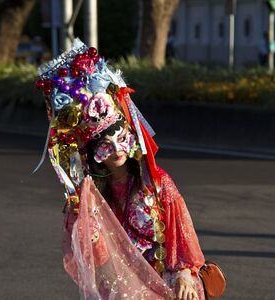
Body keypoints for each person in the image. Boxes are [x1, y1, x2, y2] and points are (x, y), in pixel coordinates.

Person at [34, 39, 206, 300]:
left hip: (165, 284)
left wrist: (184, 274)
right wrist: (82, 212)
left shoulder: (157, 183)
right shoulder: (92, 198)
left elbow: (181, 238)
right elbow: (97, 259)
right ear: (93, 154)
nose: (116, 148)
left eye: (121, 138)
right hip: (122, 289)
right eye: (105, 144)